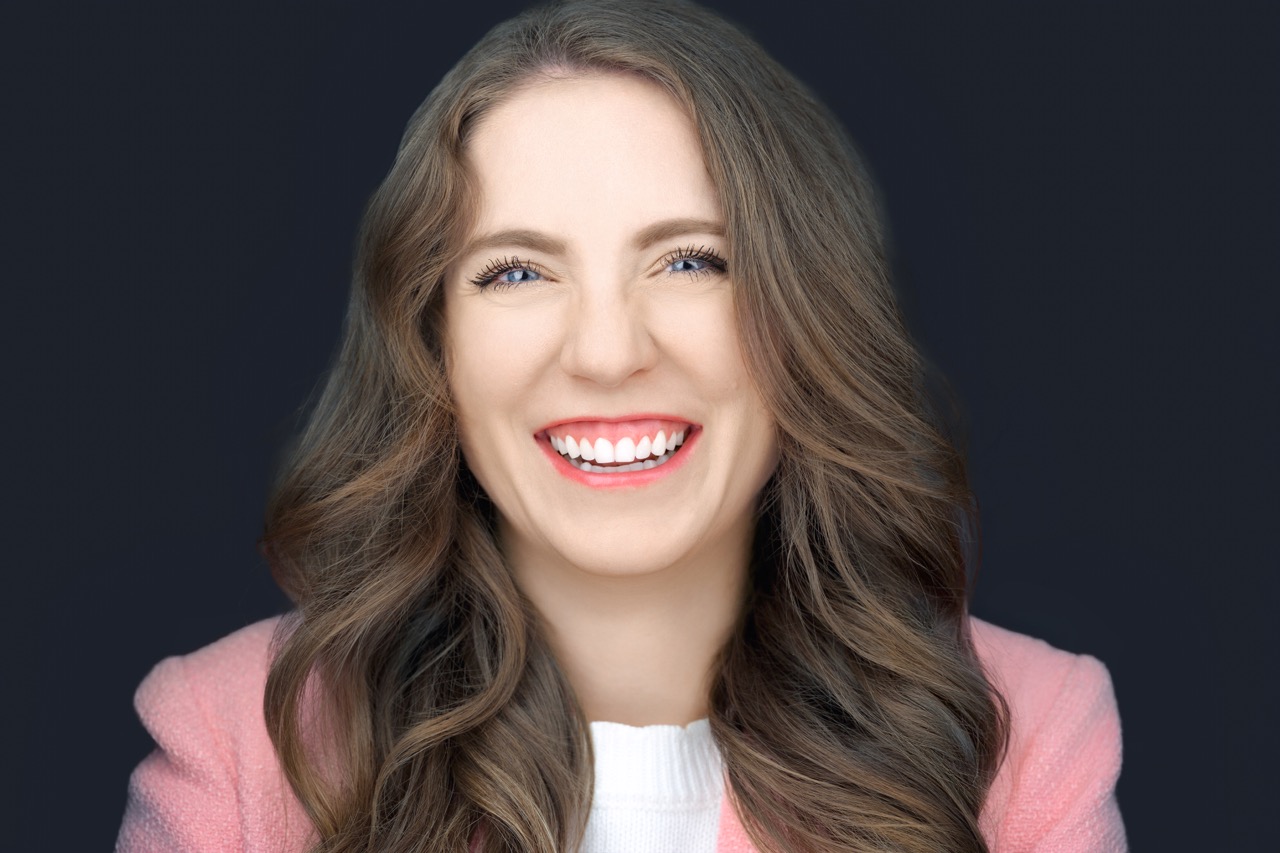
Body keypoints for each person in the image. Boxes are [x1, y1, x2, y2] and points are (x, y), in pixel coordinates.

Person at [116, 1, 1126, 851]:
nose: (605, 352)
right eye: (516, 271)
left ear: (802, 313)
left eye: (689, 260)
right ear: (432, 345)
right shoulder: (237, 739)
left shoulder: (1022, 734)